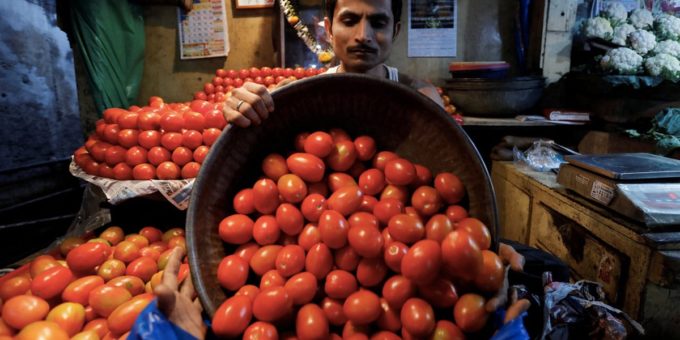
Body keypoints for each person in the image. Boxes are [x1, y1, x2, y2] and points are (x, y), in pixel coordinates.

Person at [223, 0, 443, 128]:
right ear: (328, 30)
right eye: (350, 21)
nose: (363, 35)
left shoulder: (422, 98)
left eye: (378, 23)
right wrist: (246, 109)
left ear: (394, 31)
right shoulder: (302, 100)